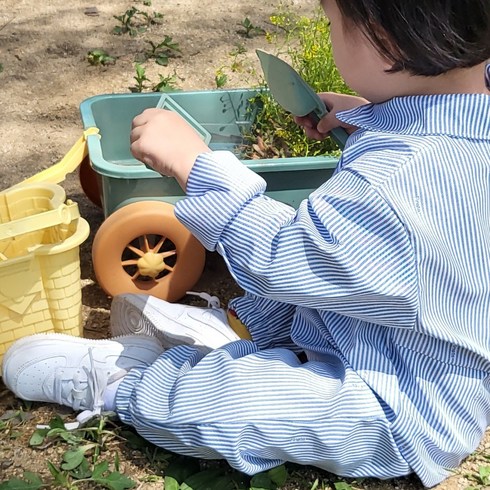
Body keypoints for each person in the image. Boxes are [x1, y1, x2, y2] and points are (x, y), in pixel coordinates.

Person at [3, 0, 489, 487]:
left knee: (242, 405)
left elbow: (287, 255)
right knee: (328, 279)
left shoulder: (397, 177)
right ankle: (238, 333)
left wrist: (196, 165)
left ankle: (132, 384)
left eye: (332, 21)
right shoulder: (460, 128)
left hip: (397, 404)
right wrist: (377, 115)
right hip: (391, 327)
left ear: (384, 37)